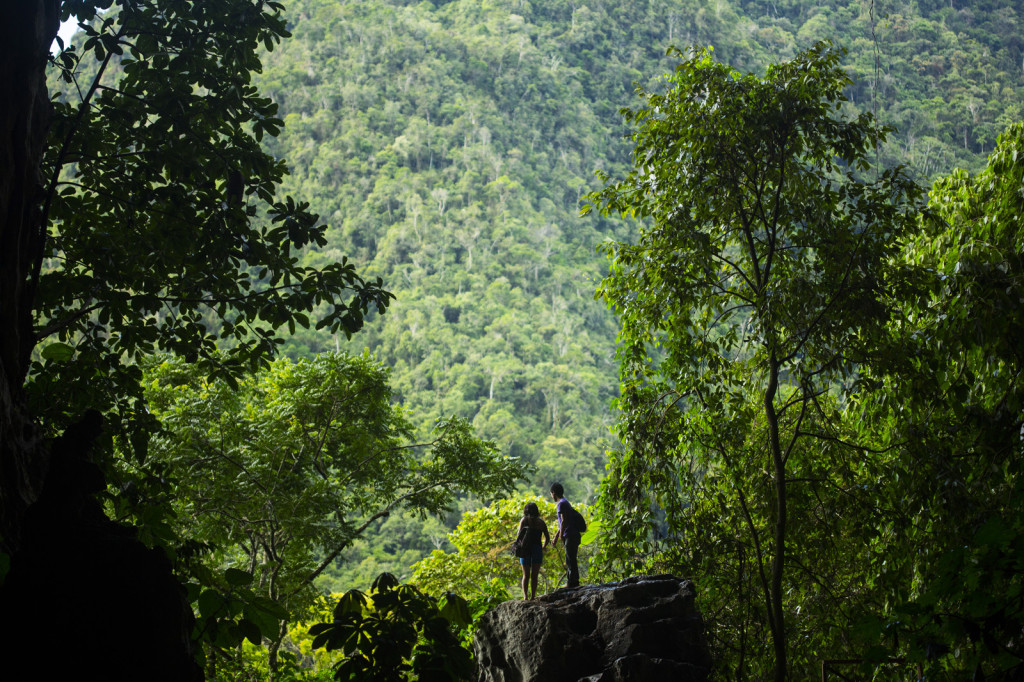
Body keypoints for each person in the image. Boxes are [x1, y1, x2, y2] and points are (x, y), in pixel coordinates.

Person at [515, 502, 550, 599]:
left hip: (525, 549)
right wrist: (543, 547)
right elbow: (547, 537)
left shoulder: (524, 520)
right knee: (534, 575)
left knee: (525, 575)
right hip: (537, 549)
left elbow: (519, 536)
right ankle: (533, 597)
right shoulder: (541, 522)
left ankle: (525, 597)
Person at [550, 482, 581, 588]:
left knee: (570, 559)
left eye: (551, 493)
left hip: (570, 535)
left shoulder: (561, 503)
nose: (551, 496)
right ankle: (573, 581)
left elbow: (564, 521)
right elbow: (562, 523)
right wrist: (556, 536)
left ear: (554, 493)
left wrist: (561, 535)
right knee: (570, 558)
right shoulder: (565, 502)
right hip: (572, 534)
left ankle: (572, 582)